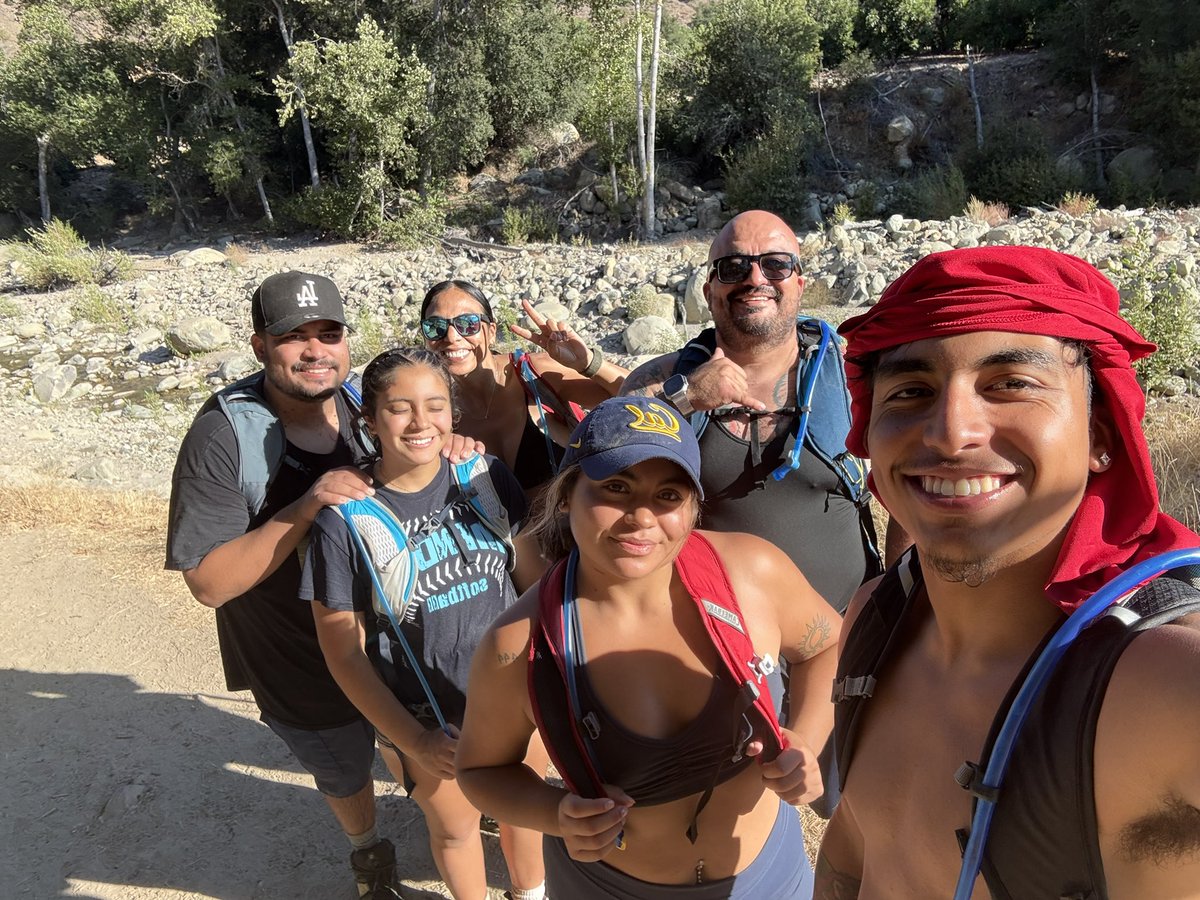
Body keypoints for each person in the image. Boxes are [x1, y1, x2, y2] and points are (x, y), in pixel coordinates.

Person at [815, 246, 1200, 899]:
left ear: (1103, 431)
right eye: (911, 390)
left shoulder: (1163, 677)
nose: (951, 430)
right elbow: (856, 848)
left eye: (1011, 384)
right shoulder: (878, 617)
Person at [456, 395, 841, 899]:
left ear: (693, 507)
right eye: (616, 487)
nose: (641, 516)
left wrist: (806, 741)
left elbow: (826, 645)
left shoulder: (751, 574)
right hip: (610, 888)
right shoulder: (521, 643)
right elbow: (480, 770)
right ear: (567, 494)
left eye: (668, 495)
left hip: (769, 875)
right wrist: (554, 815)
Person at [165, 271, 401, 897]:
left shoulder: (361, 406)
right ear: (259, 345)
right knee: (343, 768)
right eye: (293, 336)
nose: (315, 350)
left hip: (385, 636)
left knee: (408, 738)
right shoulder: (223, 435)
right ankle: (368, 855)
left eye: (329, 333)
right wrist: (304, 507)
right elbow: (210, 582)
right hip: (291, 654)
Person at [300, 347, 548, 900]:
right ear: (368, 419)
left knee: (524, 811)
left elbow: (533, 581)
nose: (421, 423)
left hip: (516, 696)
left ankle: (529, 894)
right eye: (399, 408)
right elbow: (343, 651)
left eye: (435, 406)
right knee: (456, 830)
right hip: (424, 716)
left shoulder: (484, 475)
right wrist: (414, 740)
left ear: (452, 413)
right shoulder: (345, 519)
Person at [619, 210, 902, 615]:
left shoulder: (849, 374)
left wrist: (902, 594)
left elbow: (914, 476)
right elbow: (599, 462)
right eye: (733, 267)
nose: (755, 279)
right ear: (709, 288)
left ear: (800, 284)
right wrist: (689, 397)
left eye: (775, 264)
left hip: (847, 638)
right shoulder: (663, 379)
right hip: (711, 643)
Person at [419, 279, 628, 494]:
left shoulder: (533, 374)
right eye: (435, 327)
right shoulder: (429, 410)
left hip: (577, 525)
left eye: (468, 323)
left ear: (491, 331)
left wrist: (588, 364)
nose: (452, 337)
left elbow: (645, 395)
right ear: (425, 337)